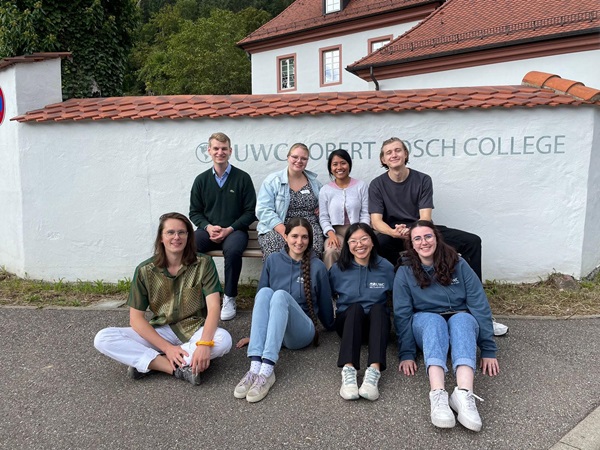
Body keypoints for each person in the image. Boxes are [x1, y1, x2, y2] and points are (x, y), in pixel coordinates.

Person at [94, 212, 233, 385]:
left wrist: (204, 343)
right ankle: (175, 368)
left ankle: (149, 362)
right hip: (161, 331)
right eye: (170, 232)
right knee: (103, 338)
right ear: (161, 237)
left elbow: (213, 308)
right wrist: (167, 348)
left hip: (194, 329)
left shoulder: (204, 263)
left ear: (188, 237)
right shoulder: (145, 270)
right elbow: (136, 319)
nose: (176, 237)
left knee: (224, 340)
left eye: (182, 232)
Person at [393, 220, 499, 431]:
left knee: (463, 320)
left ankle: (464, 394)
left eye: (428, 236)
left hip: (459, 317)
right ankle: (438, 395)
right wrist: (407, 352)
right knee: (433, 321)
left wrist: (488, 348)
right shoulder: (405, 271)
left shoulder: (458, 263)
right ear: (411, 244)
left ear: (437, 238)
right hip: (425, 321)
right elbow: (402, 313)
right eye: (417, 238)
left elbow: (479, 305)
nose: (424, 242)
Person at [234, 217, 334, 403]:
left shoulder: (317, 266)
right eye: (294, 236)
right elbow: (261, 302)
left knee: (279, 295)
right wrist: (256, 336)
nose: (299, 241)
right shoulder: (273, 260)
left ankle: (267, 371)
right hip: (277, 335)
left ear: (310, 240)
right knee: (264, 292)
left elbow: (326, 304)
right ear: (285, 237)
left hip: (302, 333)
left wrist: (332, 326)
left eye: (304, 237)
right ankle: (255, 367)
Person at [368, 137, 482, 280]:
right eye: (389, 152)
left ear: (406, 154)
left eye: (398, 150)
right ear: (383, 160)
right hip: (394, 234)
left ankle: (472, 288)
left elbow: (425, 217)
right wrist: (393, 232)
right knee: (379, 244)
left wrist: (413, 232)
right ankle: (394, 289)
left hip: (422, 230)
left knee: (472, 242)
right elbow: (376, 221)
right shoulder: (377, 185)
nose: (394, 155)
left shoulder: (423, 180)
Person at [189, 132, 256, 321]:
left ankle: (229, 297)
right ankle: (199, 295)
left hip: (235, 231)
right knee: (189, 246)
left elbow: (250, 212)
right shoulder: (201, 180)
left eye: (224, 148)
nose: (220, 152)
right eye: (216, 148)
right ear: (209, 151)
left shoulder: (242, 178)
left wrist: (230, 229)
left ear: (230, 151)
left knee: (233, 251)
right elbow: (195, 212)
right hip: (208, 230)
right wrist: (208, 227)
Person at [329, 223, 394, 401]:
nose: (359, 245)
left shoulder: (386, 267)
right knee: (355, 308)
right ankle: (349, 372)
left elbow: (398, 300)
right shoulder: (338, 269)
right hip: (349, 324)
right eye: (353, 241)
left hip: (377, 326)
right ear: (348, 245)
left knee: (379, 308)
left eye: (364, 239)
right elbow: (327, 296)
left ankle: (373, 372)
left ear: (373, 242)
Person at [256, 143, 323, 260]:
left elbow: (324, 202)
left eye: (304, 158)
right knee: (276, 252)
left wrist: (322, 207)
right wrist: (284, 232)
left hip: (309, 227)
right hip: (279, 226)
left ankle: (307, 278)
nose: (299, 161)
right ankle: (279, 278)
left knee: (314, 251)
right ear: (288, 157)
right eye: (295, 157)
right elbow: (263, 210)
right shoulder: (273, 181)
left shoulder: (315, 183)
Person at [319, 149, 370, 269]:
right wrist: (330, 234)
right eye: (335, 164)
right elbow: (323, 217)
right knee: (331, 251)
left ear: (349, 165)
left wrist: (362, 232)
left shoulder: (361, 186)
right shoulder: (325, 190)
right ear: (330, 168)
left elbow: (365, 212)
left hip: (359, 229)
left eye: (343, 163)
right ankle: (331, 285)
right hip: (336, 232)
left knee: (367, 247)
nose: (339, 167)